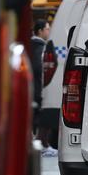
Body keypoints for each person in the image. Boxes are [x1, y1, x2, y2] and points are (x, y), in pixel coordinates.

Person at [30, 20, 58, 157]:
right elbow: (38, 67)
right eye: (47, 29)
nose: (49, 31)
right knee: (43, 116)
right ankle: (43, 145)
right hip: (38, 88)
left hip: (34, 88)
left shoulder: (32, 45)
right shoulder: (39, 47)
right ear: (40, 31)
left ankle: (43, 143)